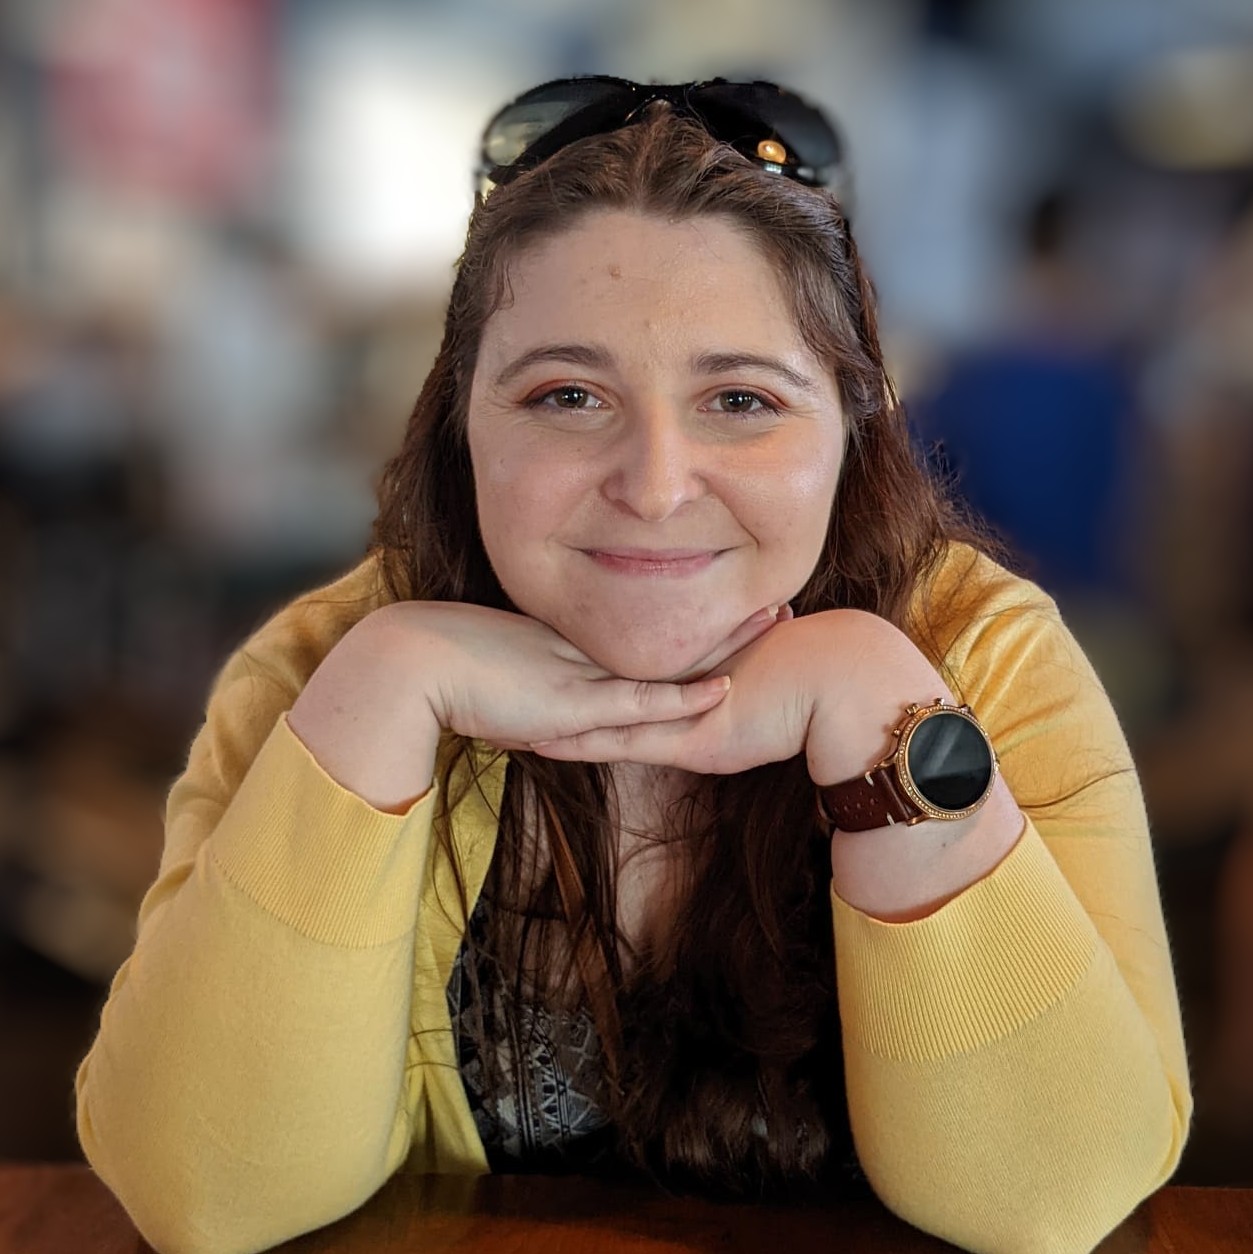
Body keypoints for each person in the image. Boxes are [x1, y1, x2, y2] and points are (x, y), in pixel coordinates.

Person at [75, 78, 1191, 1254]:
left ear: (853, 429)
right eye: (566, 395)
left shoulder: (981, 658)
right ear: (460, 423)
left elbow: (1054, 1199)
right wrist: (382, 688)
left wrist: (874, 705)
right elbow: (206, 1196)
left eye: (740, 399)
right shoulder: (321, 665)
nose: (655, 485)